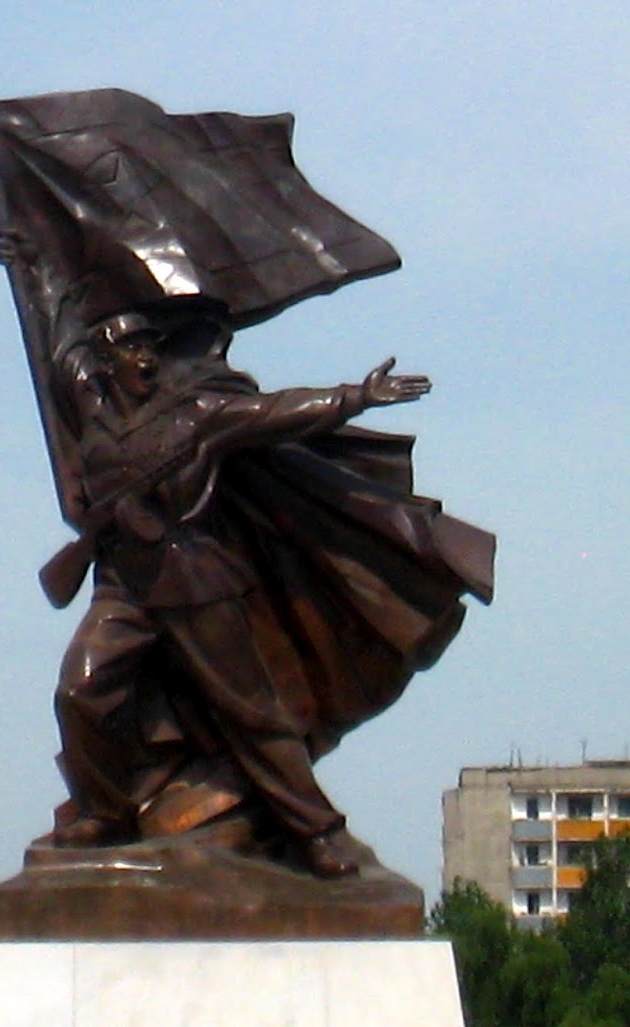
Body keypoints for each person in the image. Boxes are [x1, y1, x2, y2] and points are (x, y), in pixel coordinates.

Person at [49, 309, 436, 877]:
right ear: (106, 364)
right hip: (124, 590)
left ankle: (318, 832)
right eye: (132, 350)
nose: (146, 359)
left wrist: (355, 397)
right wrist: (27, 262)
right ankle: (105, 813)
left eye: (151, 348)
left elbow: (272, 413)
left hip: (195, 580)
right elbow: (59, 350)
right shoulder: (94, 428)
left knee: (252, 714)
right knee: (79, 692)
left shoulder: (194, 415)